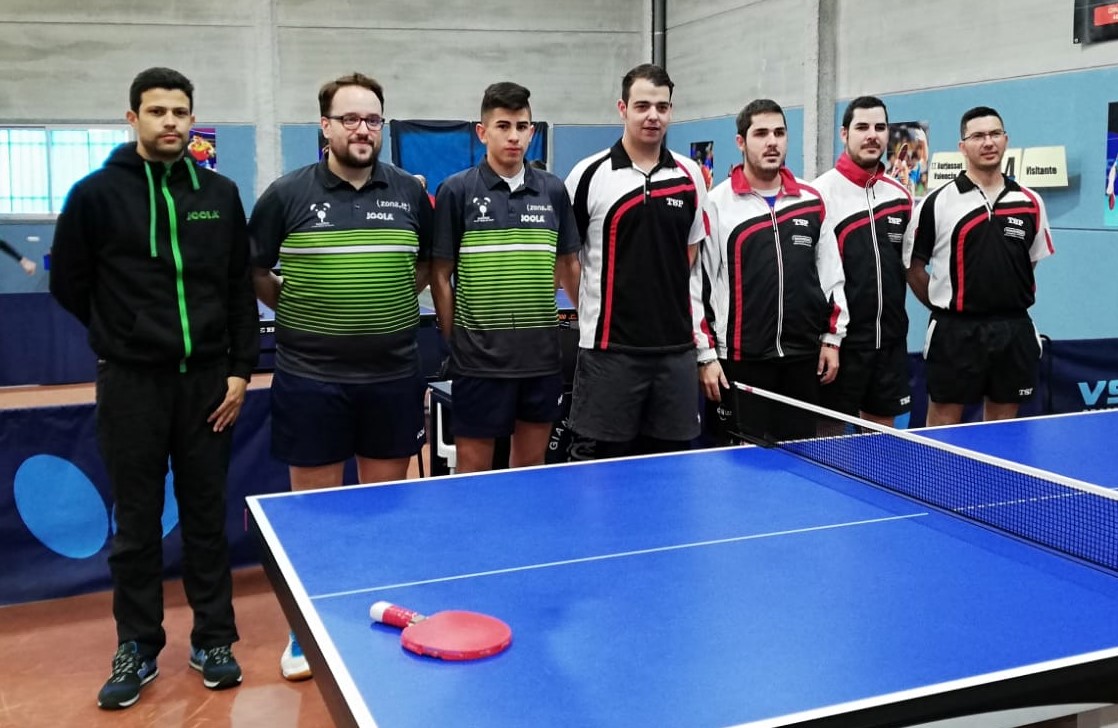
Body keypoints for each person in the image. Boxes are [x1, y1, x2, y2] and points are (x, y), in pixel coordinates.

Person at [50, 66, 257, 709]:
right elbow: (69, 282)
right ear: (132, 117)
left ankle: (213, 640)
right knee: (136, 524)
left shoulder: (220, 194)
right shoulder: (95, 195)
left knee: (204, 519)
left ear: (192, 119)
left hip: (207, 389)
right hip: (131, 386)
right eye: (157, 111)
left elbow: (236, 290)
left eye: (180, 112)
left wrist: (239, 371)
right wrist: (124, 334)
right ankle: (137, 646)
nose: (170, 121)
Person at [249, 72, 432, 681]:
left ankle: (381, 613)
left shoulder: (408, 192)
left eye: (373, 119)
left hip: (391, 375)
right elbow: (254, 271)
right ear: (324, 126)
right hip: (311, 377)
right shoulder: (286, 194)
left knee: (385, 510)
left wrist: (381, 307)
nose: (363, 129)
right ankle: (307, 632)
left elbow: (425, 269)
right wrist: (297, 304)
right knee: (317, 516)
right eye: (350, 119)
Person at [431, 82, 580, 473]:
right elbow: (440, 275)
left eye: (522, 126)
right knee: (473, 468)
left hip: (541, 359)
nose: (514, 136)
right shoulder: (456, 191)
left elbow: (566, 265)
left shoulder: (553, 190)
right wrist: (454, 339)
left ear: (532, 131)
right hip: (478, 363)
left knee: (530, 466)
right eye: (503, 126)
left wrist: (589, 327)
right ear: (483, 132)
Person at [563, 63, 709, 459]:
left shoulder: (691, 174)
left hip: (675, 352)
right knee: (600, 472)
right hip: (609, 352)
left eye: (662, 107)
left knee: (671, 469)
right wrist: (594, 309)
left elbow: (688, 255)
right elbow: (567, 260)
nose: (653, 116)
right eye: (643, 105)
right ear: (622, 108)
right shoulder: (588, 174)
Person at [698, 99, 847, 442]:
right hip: (739, 360)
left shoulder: (811, 201)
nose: (772, 142)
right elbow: (698, 286)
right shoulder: (717, 204)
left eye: (779, 133)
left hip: (802, 357)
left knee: (800, 458)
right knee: (739, 465)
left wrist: (832, 339)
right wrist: (706, 356)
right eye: (761, 133)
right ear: (741, 142)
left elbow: (831, 276)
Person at [903, 106, 1053, 426]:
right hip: (954, 333)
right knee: (943, 426)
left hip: (1013, 330)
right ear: (963, 146)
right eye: (978, 136)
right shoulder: (936, 202)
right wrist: (943, 303)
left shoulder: (1030, 202)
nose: (988, 142)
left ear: (1005, 139)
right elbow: (913, 266)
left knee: (1002, 427)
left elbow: (1029, 261)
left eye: (995, 134)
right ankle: (940, 480)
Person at [810, 96, 913, 427]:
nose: (872, 135)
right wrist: (829, 338)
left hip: (890, 342)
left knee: (881, 438)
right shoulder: (818, 194)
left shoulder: (900, 195)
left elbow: (908, 265)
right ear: (844, 134)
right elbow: (812, 276)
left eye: (880, 127)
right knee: (828, 437)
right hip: (840, 344)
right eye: (862, 127)